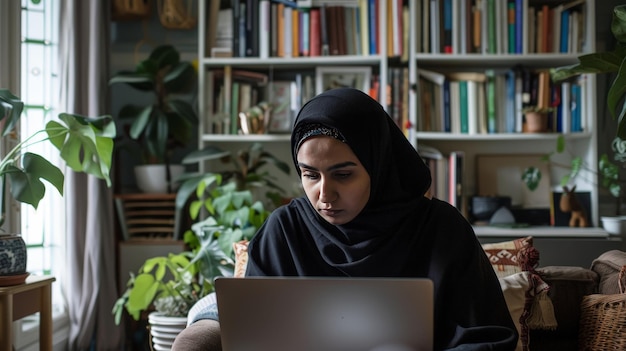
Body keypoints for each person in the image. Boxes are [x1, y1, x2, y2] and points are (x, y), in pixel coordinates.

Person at [172, 88, 518, 350]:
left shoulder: (441, 229)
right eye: (310, 175)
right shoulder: (285, 231)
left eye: (343, 175)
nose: (324, 195)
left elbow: (486, 337)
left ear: (378, 167)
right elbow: (253, 336)